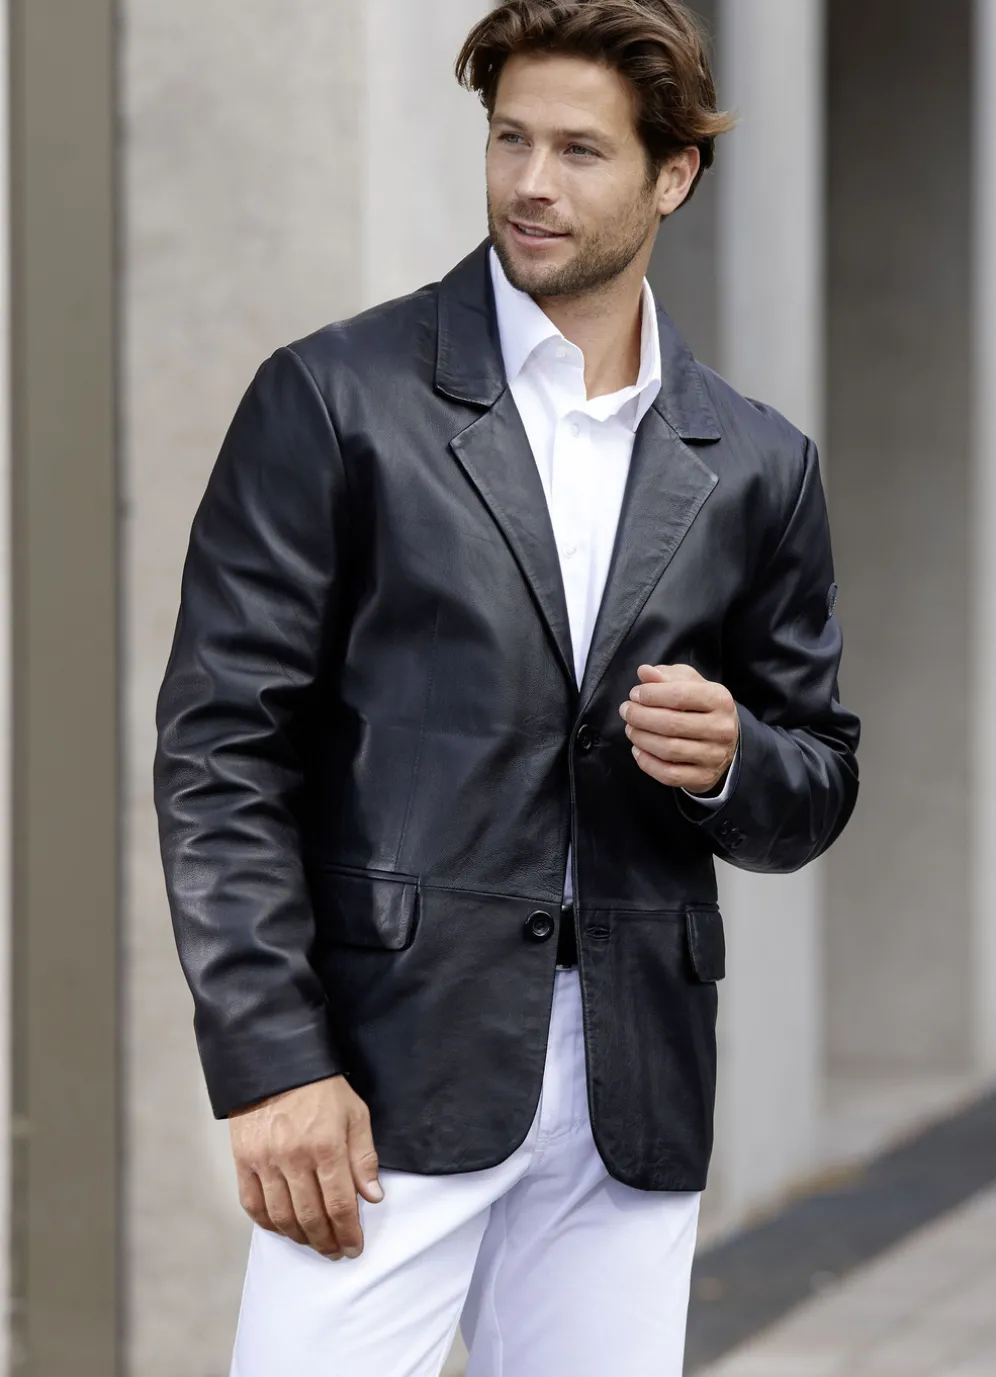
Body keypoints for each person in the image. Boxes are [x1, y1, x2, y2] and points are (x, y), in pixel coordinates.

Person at [153, 2, 861, 1373]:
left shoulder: (757, 463)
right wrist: (274, 1060)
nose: (532, 183)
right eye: (510, 139)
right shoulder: (337, 399)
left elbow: (817, 777)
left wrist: (733, 759)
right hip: (380, 1082)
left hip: (633, 1090)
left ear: (673, 175)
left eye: (580, 150)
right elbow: (220, 753)